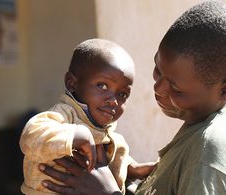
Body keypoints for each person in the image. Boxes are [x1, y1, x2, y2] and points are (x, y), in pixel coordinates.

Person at [38, 1, 226, 194]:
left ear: (225, 90)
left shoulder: (211, 149)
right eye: (158, 70)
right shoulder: (202, 124)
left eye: (176, 88)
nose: (159, 88)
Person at [19, 38, 157, 195]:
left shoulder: (108, 133)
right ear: (72, 83)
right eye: (102, 86)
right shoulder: (65, 115)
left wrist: (132, 169)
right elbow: (29, 138)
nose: (113, 101)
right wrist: (77, 134)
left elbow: (113, 160)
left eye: (122, 94)